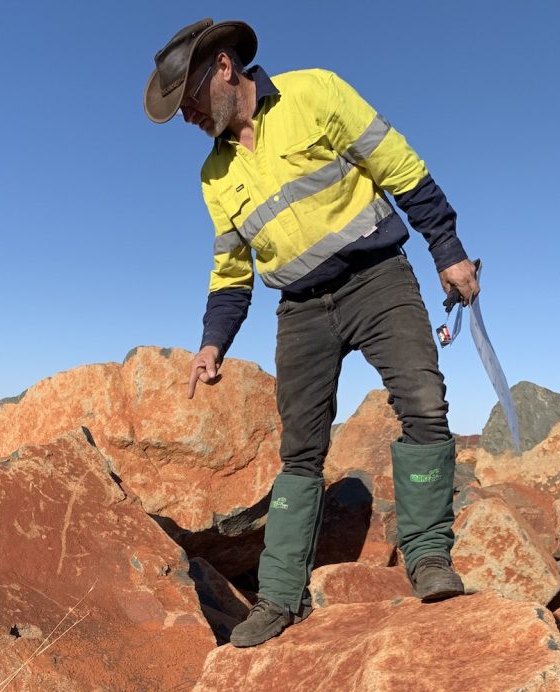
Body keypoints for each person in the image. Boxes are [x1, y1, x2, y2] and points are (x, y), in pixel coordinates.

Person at [144, 18, 479, 647]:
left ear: (222, 68)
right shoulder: (213, 177)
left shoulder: (314, 94)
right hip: (300, 311)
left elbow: (401, 166)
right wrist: (214, 340)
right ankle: (278, 599)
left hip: (377, 279)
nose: (187, 116)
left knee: (424, 406)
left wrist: (449, 249)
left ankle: (429, 559)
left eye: (188, 100)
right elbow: (230, 271)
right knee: (299, 454)